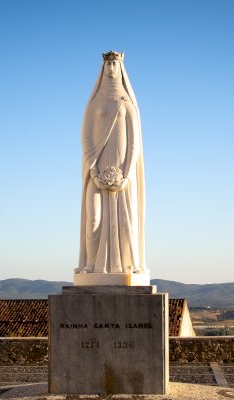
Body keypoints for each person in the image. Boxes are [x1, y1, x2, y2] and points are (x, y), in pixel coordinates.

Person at [75, 51, 148, 279]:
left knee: (126, 223)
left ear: (120, 67)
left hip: (123, 177)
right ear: (103, 67)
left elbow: (134, 143)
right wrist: (93, 171)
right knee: (93, 218)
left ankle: (129, 264)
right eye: (108, 63)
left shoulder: (127, 105)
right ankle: (91, 264)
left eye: (115, 63)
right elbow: (85, 136)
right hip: (97, 172)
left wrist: (126, 174)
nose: (111, 68)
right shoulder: (94, 103)